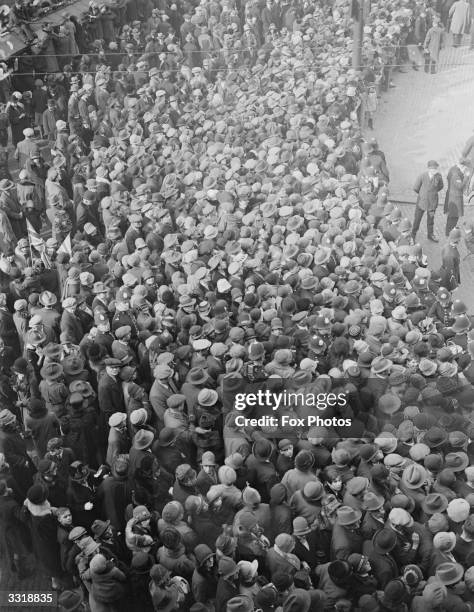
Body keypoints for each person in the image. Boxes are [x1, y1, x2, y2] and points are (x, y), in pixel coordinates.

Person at [412, 160, 444, 242]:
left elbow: (441, 186)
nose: (434, 170)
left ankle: (430, 235)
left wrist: (432, 194)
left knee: (431, 220)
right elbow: (416, 188)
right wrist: (423, 194)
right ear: (428, 168)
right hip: (421, 202)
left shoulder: (438, 176)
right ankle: (413, 235)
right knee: (417, 219)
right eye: (433, 169)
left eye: (435, 169)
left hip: (432, 204)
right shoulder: (422, 176)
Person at [444, 159, 470, 236]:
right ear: (462, 166)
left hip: (452, 196)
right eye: (465, 168)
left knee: (451, 216)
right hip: (455, 199)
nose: (466, 169)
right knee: (454, 217)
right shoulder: (456, 174)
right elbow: (460, 186)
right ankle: (449, 233)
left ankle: (449, 231)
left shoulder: (453, 168)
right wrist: (466, 177)